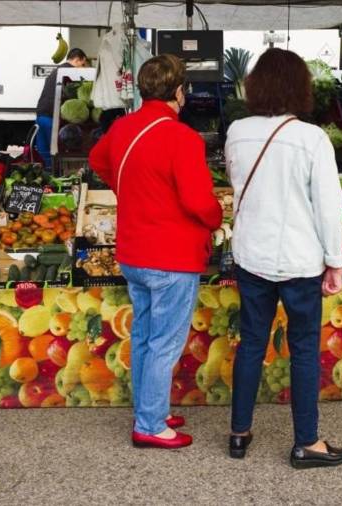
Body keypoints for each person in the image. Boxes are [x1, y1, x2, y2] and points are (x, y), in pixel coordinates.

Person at [88, 54, 223, 449]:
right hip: (171, 256)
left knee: (146, 337)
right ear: (179, 91)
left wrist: (126, 188)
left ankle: (150, 409)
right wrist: (216, 218)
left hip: (133, 252)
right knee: (164, 342)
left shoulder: (122, 127)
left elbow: (97, 160)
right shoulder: (183, 138)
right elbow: (199, 202)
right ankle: (149, 425)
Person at [224, 48, 342, 469]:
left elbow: (238, 184)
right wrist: (335, 261)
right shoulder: (312, 138)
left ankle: (239, 433)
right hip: (299, 260)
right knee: (303, 350)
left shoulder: (237, 131)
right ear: (300, 87)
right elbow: (328, 207)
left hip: (251, 255)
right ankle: (306, 442)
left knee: (251, 343)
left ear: (255, 85)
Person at [34, 48, 88, 165]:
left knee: (44, 152)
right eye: (83, 64)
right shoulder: (70, 72)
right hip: (51, 117)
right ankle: (54, 173)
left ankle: (46, 172)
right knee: (55, 153)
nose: (83, 68)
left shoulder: (57, 70)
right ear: (77, 60)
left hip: (41, 114)